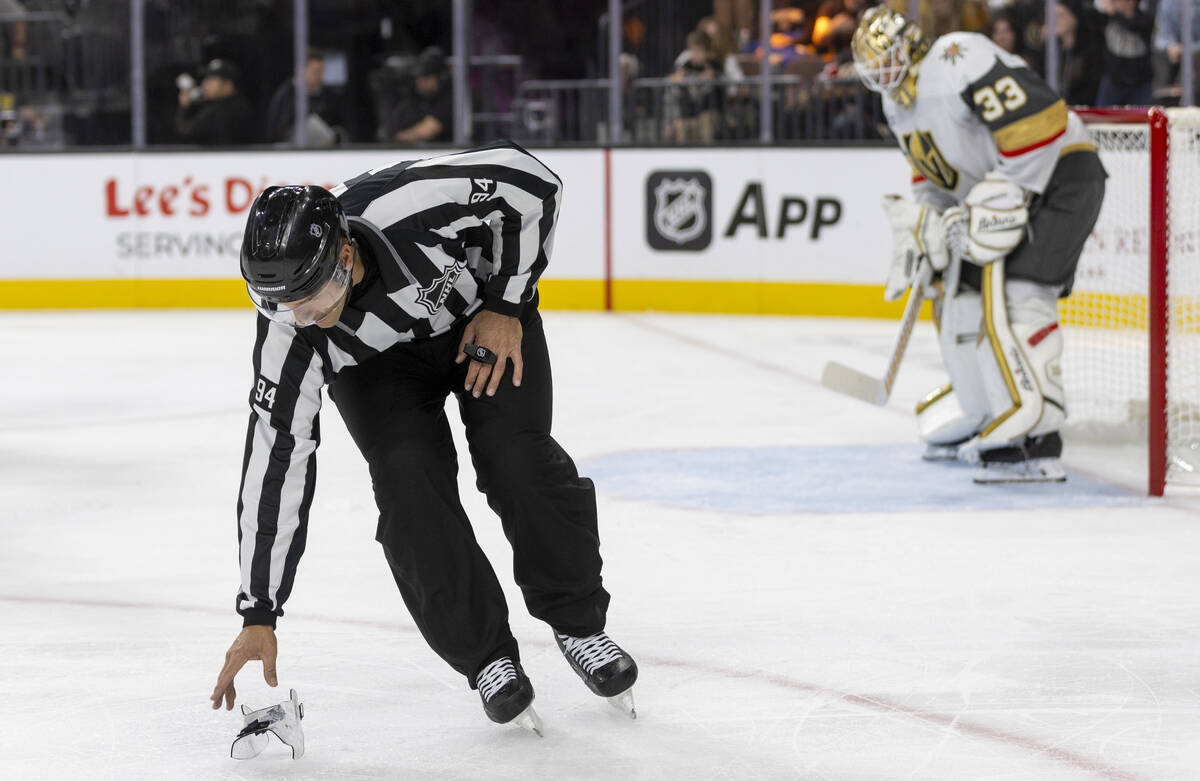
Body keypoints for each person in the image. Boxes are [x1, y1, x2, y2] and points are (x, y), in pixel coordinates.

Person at [208, 140, 638, 732]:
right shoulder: (293, 330)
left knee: (516, 457)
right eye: (280, 305)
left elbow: (532, 182)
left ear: (343, 257)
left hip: (480, 322)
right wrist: (259, 609)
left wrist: (506, 303)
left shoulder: (411, 204)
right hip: (378, 374)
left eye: (308, 300)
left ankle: (579, 621)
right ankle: (488, 658)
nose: (299, 317)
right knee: (407, 486)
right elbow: (274, 460)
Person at [850, 6, 1107, 483]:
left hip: (1061, 176)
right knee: (957, 292)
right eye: (872, 65)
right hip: (1004, 194)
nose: (880, 73)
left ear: (909, 45)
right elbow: (932, 174)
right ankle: (986, 407)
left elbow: (1042, 119)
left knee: (1023, 295)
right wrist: (925, 219)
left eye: (885, 58)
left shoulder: (956, 57)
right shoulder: (895, 104)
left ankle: (1038, 438)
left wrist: (1006, 190)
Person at [264, 47, 344, 146]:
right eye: (316, 71)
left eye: (322, 71)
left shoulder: (329, 96)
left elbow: (340, 126)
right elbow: (276, 132)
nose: (321, 76)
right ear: (301, 70)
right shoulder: (285, 97)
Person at [175, 58, 257, 145]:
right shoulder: (241, 105)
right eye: (205, 79)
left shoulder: (222, 110)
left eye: (211, 80)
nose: (204, 84)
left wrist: (184, 107)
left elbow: (185, 132)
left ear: (228, 84)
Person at [385, 46, 453, 143]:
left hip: (443, 152)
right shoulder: (414, 97)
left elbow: (428, 131)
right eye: (419, 78)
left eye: (426, 78)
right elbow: (391, 128)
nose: (420, 83)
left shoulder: (451, 97)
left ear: (441, 78)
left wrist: (400, 137)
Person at [1094, 0, 1154, 106]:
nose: (1114, 3)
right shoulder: (1106, 18)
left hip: (1140, 83)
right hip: (1113, 81)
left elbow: (1133, 25)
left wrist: (1114, 13)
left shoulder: (1146, 19)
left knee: (1140, 119)